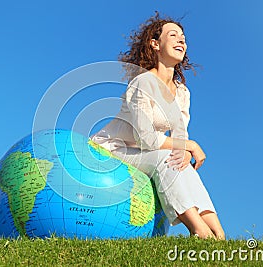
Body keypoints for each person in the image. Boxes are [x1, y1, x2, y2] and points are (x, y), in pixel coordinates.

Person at [90, 13, 225, 240]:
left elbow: (180, 132)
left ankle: (219, 233)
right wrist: (188, 145)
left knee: (183, 166)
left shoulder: (182, 92)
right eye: (173, 35)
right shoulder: (142, 82)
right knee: (165, 159)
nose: (181, 40)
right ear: (155, 44)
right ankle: (199, 231)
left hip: (145, 151)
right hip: (112, 150)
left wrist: (183, 150)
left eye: (183, 37)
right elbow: (145, 138)